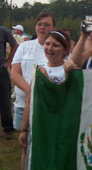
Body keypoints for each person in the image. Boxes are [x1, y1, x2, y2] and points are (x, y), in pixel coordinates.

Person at [18, 30, 70, 170]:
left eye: (55, 45)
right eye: (47, 44)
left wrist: (47, 81)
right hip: (38, 126)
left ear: (65, 50)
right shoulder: (39, 70)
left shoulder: (69, 72)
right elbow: (30, 100)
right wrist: (24, 129)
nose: (50, 48)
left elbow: (63, 101)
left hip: (59, 129)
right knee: (32, 156)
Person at [11, 11, 56, 170]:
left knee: (44, 145)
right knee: (26, 146)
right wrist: (30, 90)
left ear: (53, 27)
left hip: (46, 108)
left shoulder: (56, 48)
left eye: (47, 24)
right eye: (39, 24)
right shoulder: (25, 46)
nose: (42, 27)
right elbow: (15, 72)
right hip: (23, 104)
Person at [0, 25, 17, 139]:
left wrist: (9, 60)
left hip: (1, 70)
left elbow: (15, 44)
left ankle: (8, 128)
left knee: (5, 100)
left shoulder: (3, 30)